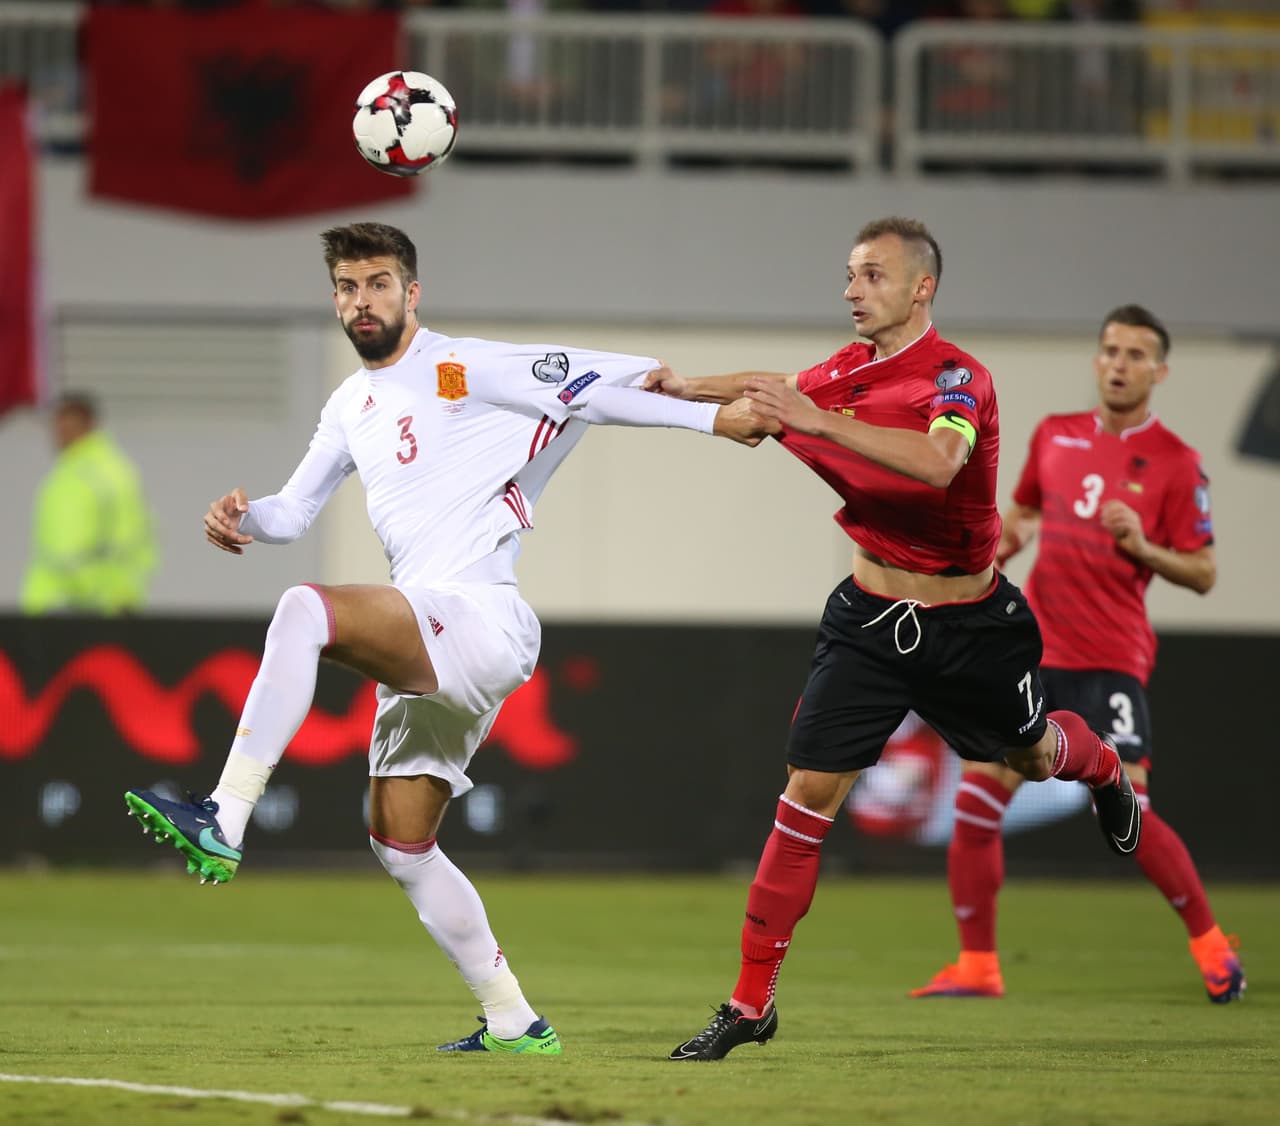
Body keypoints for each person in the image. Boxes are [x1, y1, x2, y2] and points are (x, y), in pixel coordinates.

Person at [123, 221, 766, 1056]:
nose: (364, 301)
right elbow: (294, 509)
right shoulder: (349, 405)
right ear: (335, 299)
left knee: (305, 610)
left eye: (380, 283)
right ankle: (512, 1018)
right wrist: (244, 517)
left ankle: (226, 816)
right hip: (434, 633)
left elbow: (594, 390)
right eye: (349, 288)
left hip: (477, 614)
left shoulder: (464, 365)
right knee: (402, 842)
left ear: (412, 292)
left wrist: (712, 418)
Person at [648, 215, 1141, 1062]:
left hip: (971, 626)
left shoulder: (958, 378)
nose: (850, 290)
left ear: (922, 288)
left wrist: (815, 419)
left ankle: (1097, 766)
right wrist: (686, 386)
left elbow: (941, 463)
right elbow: (781, 389)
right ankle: (749, 1001)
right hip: (870, 622)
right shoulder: (845, 369)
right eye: (847, 274)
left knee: (1027, 757)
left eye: (871, 275)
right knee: (806, 798)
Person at [911, 304, 1244, 1005]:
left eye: (1136, 354)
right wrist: (1010, 537)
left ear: (1160, 370)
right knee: (975, 798)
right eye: (1111, 350)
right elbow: (1027, 507)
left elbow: (1205, 572)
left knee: (1126, 812)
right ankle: (977, 965)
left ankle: (1213, 946)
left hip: (1109, 663)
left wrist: (1144, 547)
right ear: (1097, 360)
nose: (1120, 364)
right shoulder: (1056, 435)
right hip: (1034, 652)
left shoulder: (1178, 464)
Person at [20, 391, 157, 615]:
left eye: (66, 421)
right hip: (68, 607)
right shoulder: (77, 470)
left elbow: (127, 540)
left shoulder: (101, 473)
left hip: (86, 608)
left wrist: (109, 594)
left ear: (87, 423)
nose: (57, 432)